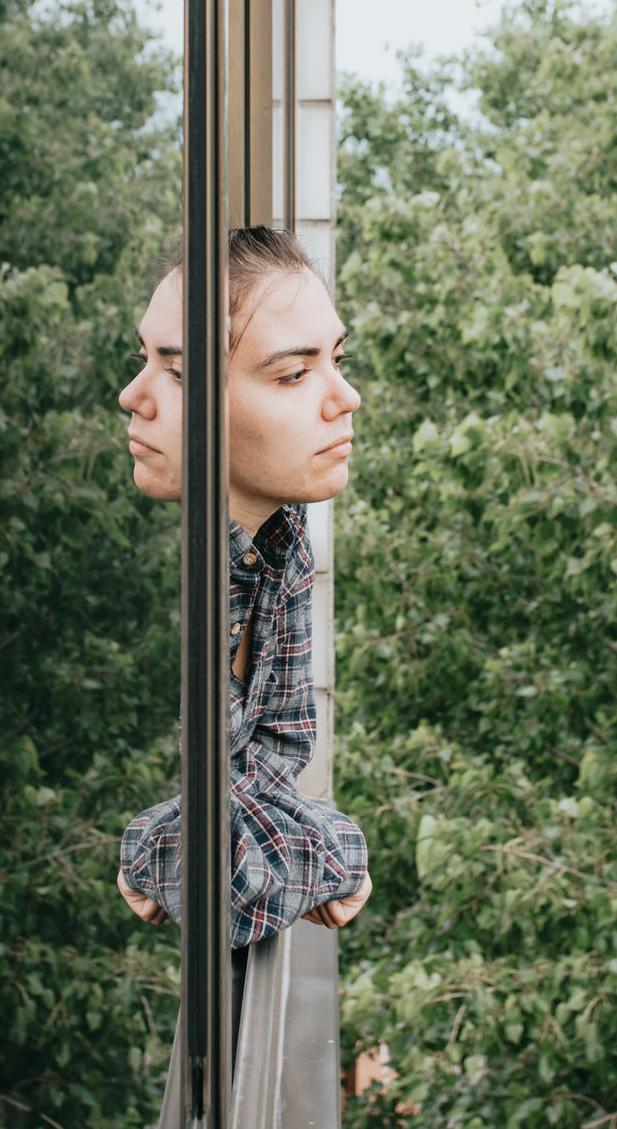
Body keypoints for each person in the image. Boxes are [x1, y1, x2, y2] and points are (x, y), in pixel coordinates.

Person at [116, 226, 371, 947]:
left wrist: (307, 846)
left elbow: (265, 771)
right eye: (296, 375)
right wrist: (337, 854)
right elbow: (225, 885)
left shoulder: (276, 539)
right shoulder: (196, 579)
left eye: (336, 361)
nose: (345, 397)